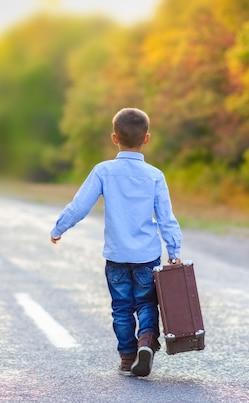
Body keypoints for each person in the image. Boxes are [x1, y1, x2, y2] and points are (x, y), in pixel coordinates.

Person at [50, 107, 182, 377]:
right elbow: (166, 217)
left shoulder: (103, 171)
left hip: (116, 256)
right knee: (146, 303)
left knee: (121, 308)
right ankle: (146, 341)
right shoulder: (155, 175)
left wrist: (59, 227)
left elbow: (80, 206)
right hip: (146, 255)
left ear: (114, 138)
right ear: (147, 139)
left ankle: (127, 357)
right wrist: (174, 249)